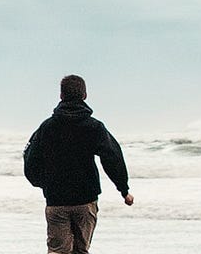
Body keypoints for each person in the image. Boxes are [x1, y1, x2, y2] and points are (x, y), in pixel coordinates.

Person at [23, 74, 132, 254]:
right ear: (85, 96)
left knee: (58, 251)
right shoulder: (94, 127)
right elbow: (112, 157)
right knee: (81, 251)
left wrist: (45, 184)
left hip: (56, 200)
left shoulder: (47, 127)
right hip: (85, 199)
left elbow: (30, 159)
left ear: (61, 96)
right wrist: (124, 190)